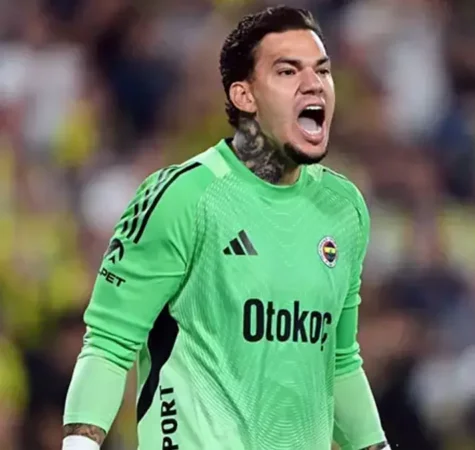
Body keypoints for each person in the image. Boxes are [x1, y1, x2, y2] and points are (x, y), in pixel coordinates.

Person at [61, 6, 389, 450]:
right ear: (244, 95)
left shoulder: (343, 208)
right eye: (288, 71)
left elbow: (340, 361)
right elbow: (108, 342)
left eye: (322, 71)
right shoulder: (182, 197)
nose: (314, 84)